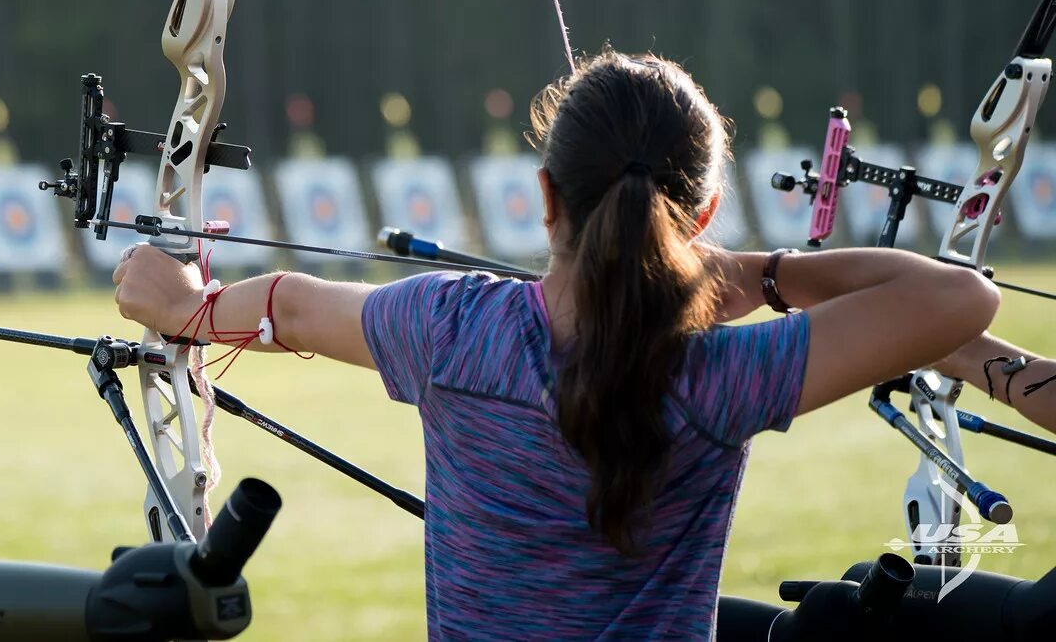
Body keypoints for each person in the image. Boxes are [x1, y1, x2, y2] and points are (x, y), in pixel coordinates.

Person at [112, 51, 1000, 641]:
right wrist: (754, 274)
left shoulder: (450, 331)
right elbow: (960, 297)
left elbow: (295, 307)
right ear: (702, 219)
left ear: (545, 196)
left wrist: (188, 305)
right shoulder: (723, 380)